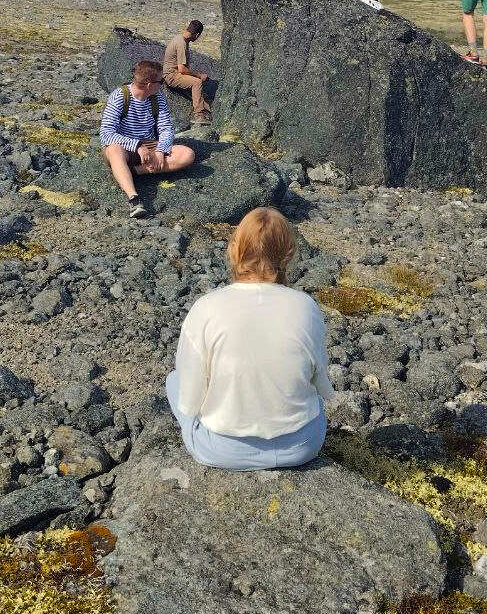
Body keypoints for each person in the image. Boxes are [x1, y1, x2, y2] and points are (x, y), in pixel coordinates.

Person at [166, 207, 333, 470]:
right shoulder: (306, 307)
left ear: (234, 250)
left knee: (174, 380)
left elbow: (190, 398)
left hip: (223, 450)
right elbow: (322, 385)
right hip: (302, 445)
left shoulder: (207, 307)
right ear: (288, 254)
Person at [100, 59, 196, 218]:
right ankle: (134, 199)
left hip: (151, 145)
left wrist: (160, 151)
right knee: (113, 150)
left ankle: (131, 172)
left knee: (187, 154)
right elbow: (106, 134)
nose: (163, 85)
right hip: (124, 146)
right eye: (161, 81)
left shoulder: (157, 99)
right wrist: (137, 145)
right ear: (150, 84)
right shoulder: (119, 96)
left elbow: (166, 129)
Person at [163, 19, 212, 122]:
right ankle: (198, 115)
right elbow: (182, 69)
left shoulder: (180, 38)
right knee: (197, 83)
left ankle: (206, 109)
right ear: (197, 34)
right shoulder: (181, 43)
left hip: (174, 73)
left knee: (200, 86)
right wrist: (199, 75)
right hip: (172, 75)